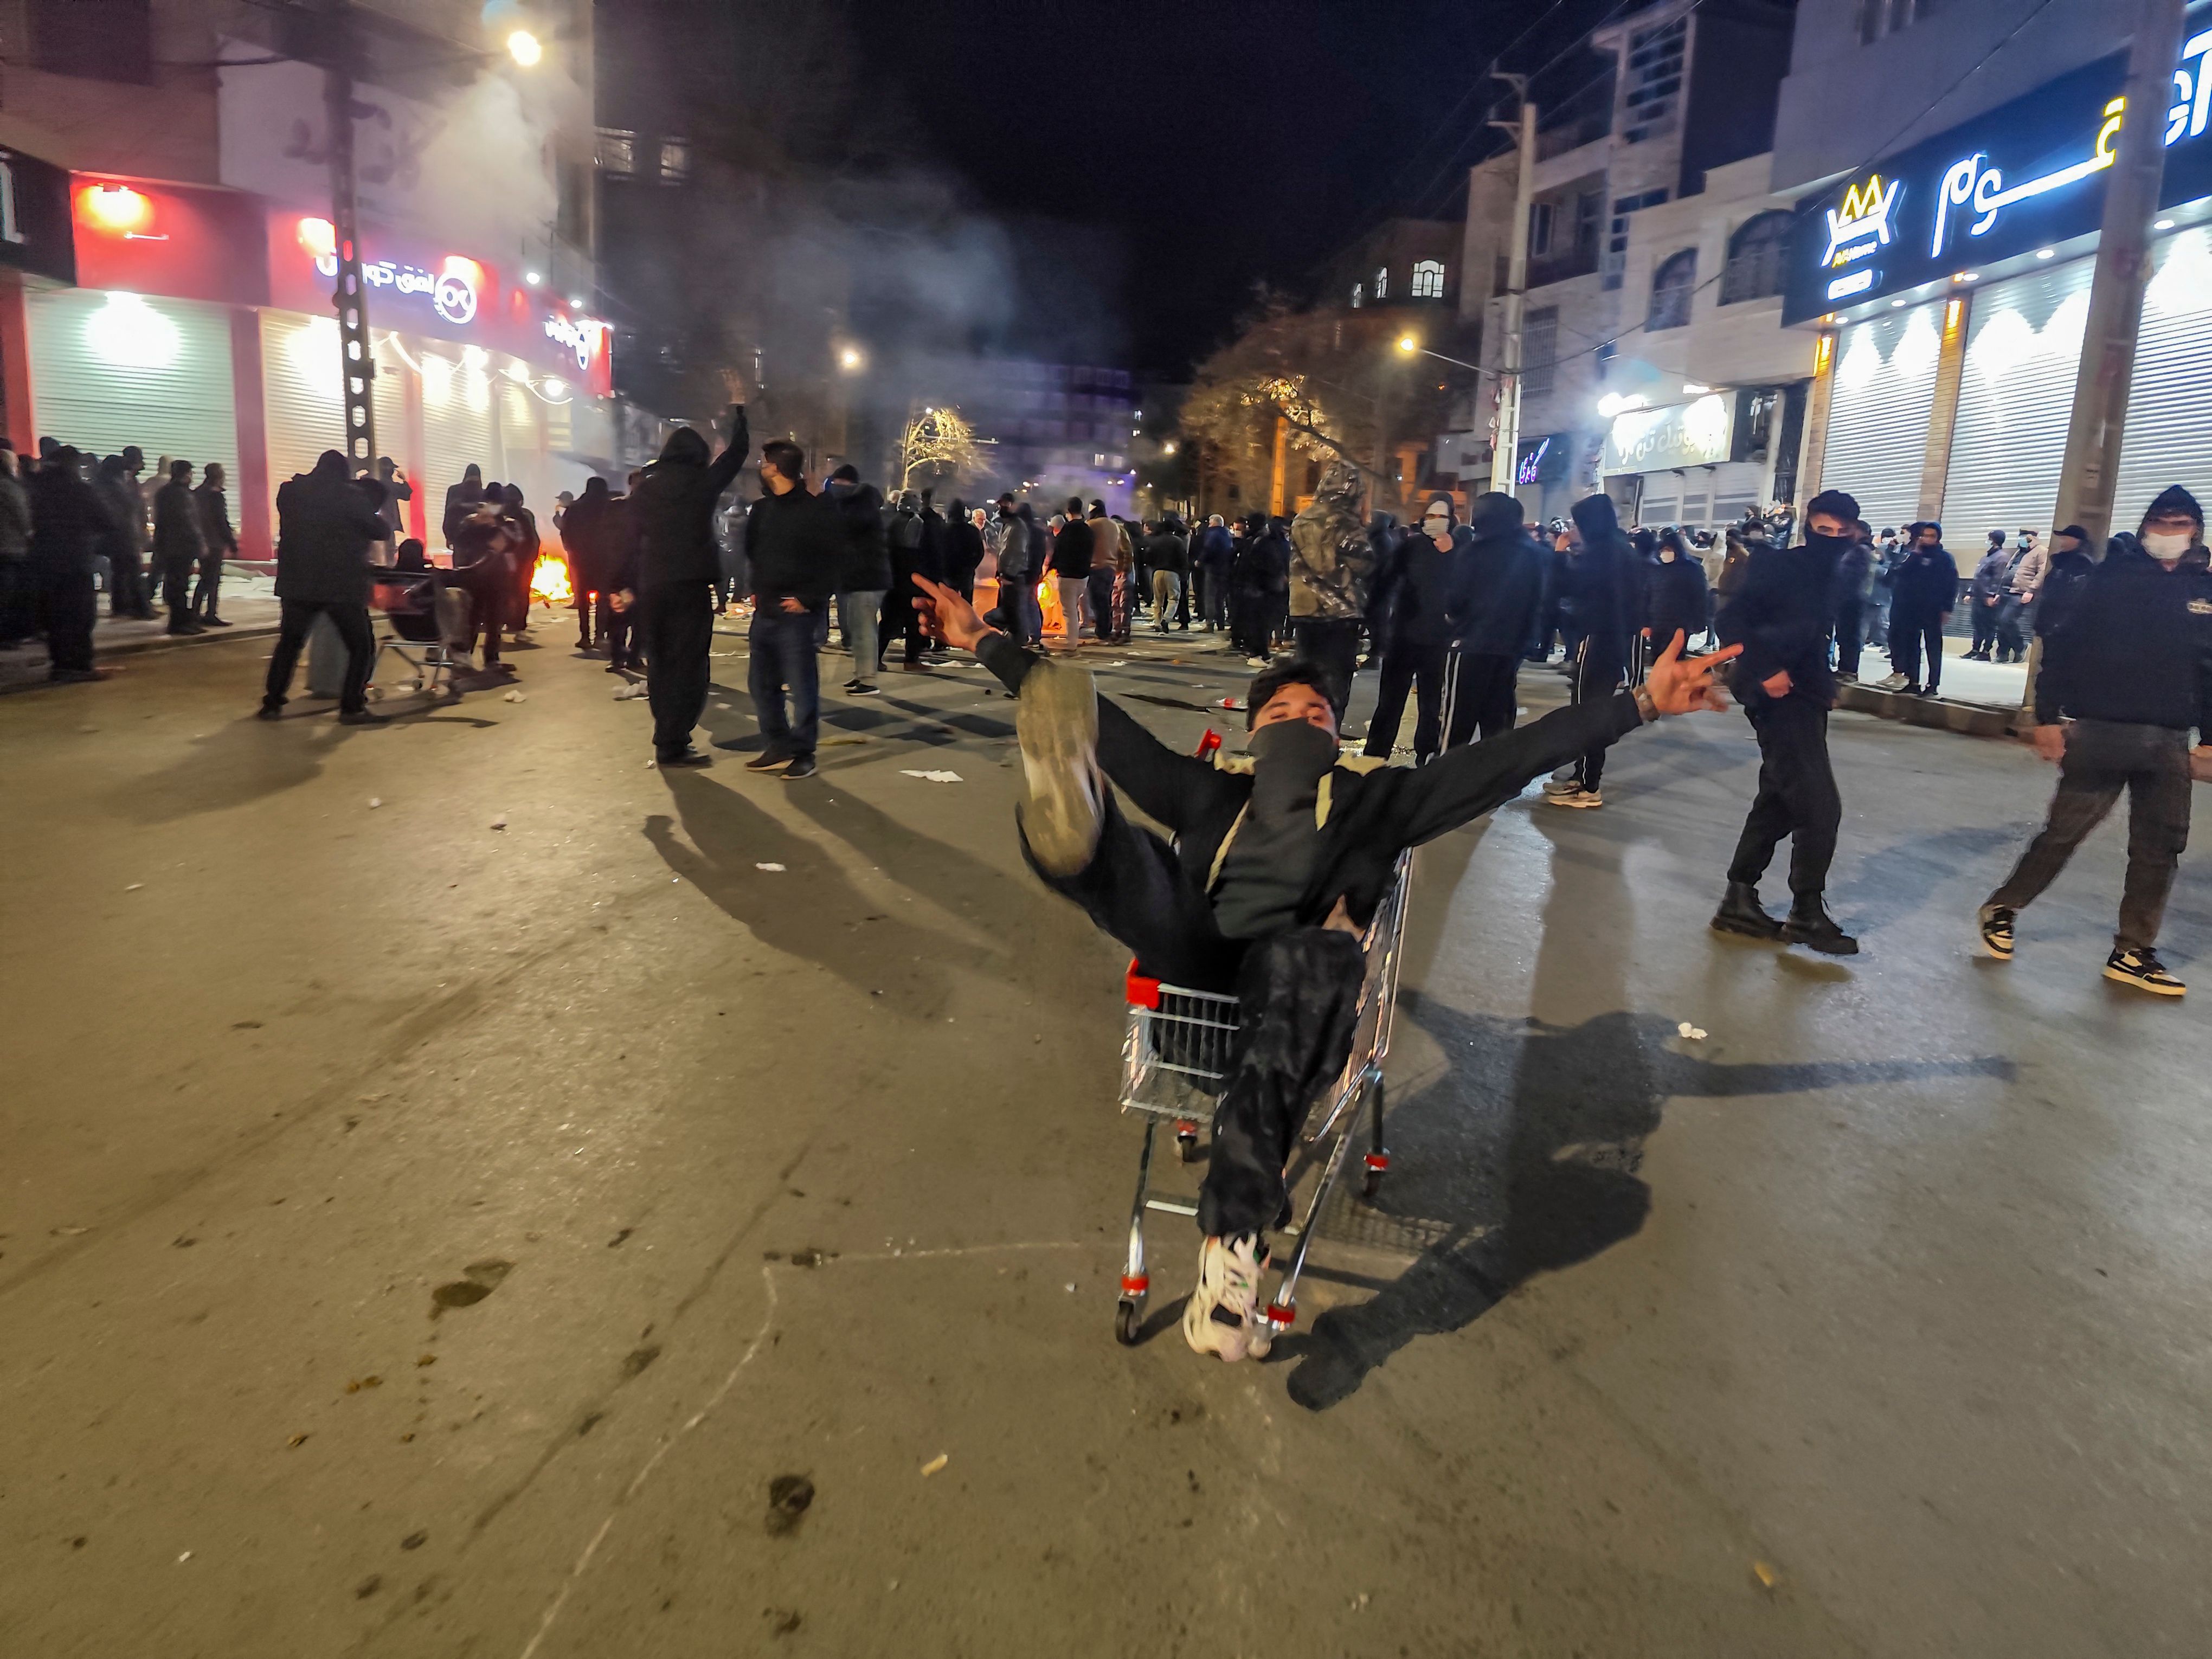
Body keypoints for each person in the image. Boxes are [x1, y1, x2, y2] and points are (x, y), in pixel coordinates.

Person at [905, 572, 1740, 1361]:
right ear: (1253, 733)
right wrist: (984, 641)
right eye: (1283, 711)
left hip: (1295, 1013)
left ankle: (1232, 1251)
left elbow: (1507, 760)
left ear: (1337, 738)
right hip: (1199, 989)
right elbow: (1102, 727)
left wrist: (1638, 703)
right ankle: (1078, 832)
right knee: (1149, 876)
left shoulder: (1381, 803)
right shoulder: (1211, 794)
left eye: (1318, 713)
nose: (1302, 720)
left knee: (1315, 954)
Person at [1978, 487, 2212, 995]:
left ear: (2196, 530)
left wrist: (2210, 740)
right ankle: (2003, 907)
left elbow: (2209, 670)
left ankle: (2133, 951)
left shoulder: (2204, 590)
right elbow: (2063, 647)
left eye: (2180, 524)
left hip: (2170, 739)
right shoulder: (2110, 580)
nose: (2169, 533)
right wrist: (2046, 718)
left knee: (2161, 848)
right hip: (2103, 731)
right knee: (2064, 833)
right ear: (2146, 527)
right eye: (2161, 522)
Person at [1709, 488, 1859, 954]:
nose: (1832, 537)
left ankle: (1739, 898)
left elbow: (1812, 637)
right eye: (1823, 528)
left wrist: (1824, 686)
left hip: (1806, 696)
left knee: (1778, 797)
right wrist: (1767, 668)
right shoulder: (1778, 565)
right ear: (1808, 526)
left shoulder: (1836, 574)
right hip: (1776, 695)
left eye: (1841, 531)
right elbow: (1731, 621)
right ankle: (1806, 912)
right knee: (1819, 805)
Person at [622, 403, 749, 766]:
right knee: (689, 663)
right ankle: (676, 739)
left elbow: (628, 540)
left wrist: (622, 584)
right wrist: (738, 420)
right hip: (690, 586)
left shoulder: (644, 489)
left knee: (660, 661)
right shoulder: (702, 483)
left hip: (653, 585)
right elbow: (735, 456)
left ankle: (665, 736)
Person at [259, 451, 386, 723]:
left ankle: (272, 703)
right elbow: (380, 530)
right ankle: (352, 706)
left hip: (297, 583)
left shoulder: (290, 492)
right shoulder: (352, 498)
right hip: (340, 585)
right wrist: (365, 499)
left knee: (290, 644)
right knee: (360, 647)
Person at [741, 437, 841, 779]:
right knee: (761, 685)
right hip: (766, 610)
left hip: (795, 614)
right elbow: (752, 551)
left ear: (777, 468)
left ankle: (804, 752)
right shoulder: (762, 510)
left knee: (802, 686)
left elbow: (833, 561)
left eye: (766, 461)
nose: (762, 467)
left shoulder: (815, 512)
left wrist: (809, 599)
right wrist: (755, 589)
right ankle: (778, 743)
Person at [1541, 494, 1638, 809]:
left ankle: (1588, 785)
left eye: (1577, 523)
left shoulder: (1601, 554)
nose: (1573, 528)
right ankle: (1582, 776)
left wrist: (1559, 553)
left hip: (1597, 640)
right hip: (1615, 641)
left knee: (1587, 712)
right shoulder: (1622, 549)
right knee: (1592, 710)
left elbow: (1564, 586)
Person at [1362, 494, 1468, 762]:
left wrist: (1453, 551)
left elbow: (1467, 589)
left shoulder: (1461, 550)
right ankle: (1375, 756)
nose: (1435, 521)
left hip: (1439, 638)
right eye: (1430, 516)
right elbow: (1384, 581)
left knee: (1431, 704)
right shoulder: (1411, 546)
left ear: (1451, 518)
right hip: (1404, 636)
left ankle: (1427, 755)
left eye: (1441, 516)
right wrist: (1374, 620)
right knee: (1390, 702)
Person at [1448, 492, 1546, 744]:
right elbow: (1538, 601)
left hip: (1473, 643)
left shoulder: (1475, 552)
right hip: (1512, 647)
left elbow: (1455, 601)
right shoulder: (1532, 553)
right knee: (1498, 719)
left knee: (1459, 720)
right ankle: (1497, 769)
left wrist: (1455, 622)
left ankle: (1448, 768)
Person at [1286, 461, 1373, 714]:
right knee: (1335, 679)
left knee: (1307, 675)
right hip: (1339, 614)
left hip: (1303, 608)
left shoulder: (1302, 518)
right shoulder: (1346, 523)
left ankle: (1303, 723)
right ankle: (1327, 727)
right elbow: (1364, 565)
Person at [25, 446, 107, 683]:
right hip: (76, 561)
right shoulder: (80, 490)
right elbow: (105, 520)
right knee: (80, 615)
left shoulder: (36, 489)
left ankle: (60, 665)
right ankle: (80, 666)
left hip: (44, 561)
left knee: (55, 616)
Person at [826, 462, 889, 696]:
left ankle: (868, 680)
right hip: (859, 577)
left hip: (868, 578)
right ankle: (861, 674)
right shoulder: (855, 503)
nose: (833, 487)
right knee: (858, 629)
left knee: (864, 630)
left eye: (836, 483)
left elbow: (849, 529)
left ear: (846, 483)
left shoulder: (861, 504)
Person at [1879, 522, 1956, 695]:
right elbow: (1900, 574)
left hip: (1934, 609)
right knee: (1911, 645)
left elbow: (1951, 585)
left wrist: (1947, 609)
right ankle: (1913, 682)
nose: (1927, 539)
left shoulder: (1945, 558)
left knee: (1933, 647)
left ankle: (1933, 685)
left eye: (1931, 536)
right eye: (1925, 536)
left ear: (1938, 538)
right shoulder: (1914, 556)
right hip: (1912, 608)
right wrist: (1914, 553)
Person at [150, 459, 208, 636]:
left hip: (167, 545)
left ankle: (182, 621)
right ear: (186, 474)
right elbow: (189, 522)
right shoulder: (183, 494)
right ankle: (179, 623)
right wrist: (200, 543)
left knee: (174, 583)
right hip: (182, 546)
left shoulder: (163, 492)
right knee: (180, 585)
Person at [92, 454, 153, 620]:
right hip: (125, 535)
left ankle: (121, 607)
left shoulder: (101, 484)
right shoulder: (116, 487)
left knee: (119, 571)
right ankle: (141, 608)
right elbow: (129, 510)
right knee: (133, 571)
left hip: (115, 536)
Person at [1643, 527, 1710, 678]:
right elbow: (1648, 596)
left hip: (1680, 622)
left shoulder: (1692, 569)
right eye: (1662, 550)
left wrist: (1699, 621)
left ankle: (1672, 686)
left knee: (1675, 658)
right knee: (1657, 658)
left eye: (1668, 550)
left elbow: (1700, 597)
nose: (1665, 553)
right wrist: (1646, 622)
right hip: (1658, 622)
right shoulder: (1657, 571)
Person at [562, 476, 618, 651]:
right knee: (603, 598)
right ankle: (600, 636)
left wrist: (572, 551)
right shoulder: (610, 507)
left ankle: (585, 636)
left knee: (583, 600)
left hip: (581, 561)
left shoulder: (574, 508)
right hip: (605, 560)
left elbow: (565, 532)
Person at [191, 462, 239, 627]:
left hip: (201, 541)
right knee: (213, 579)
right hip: (215, 542)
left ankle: (195, 611)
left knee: (205, 577)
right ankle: (210, 613)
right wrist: (232, 543)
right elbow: (221, 522)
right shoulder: (216, 496)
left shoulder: (197, 493)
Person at [2032, 524, 2094, 644]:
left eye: (2065, 538)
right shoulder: (2061, 561)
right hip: (2049, 617)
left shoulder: (2082, 563)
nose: (2062, 542)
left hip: (2061, 620)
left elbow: (2075, 593)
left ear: (2076, 540)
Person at [1049, 497, 1094, 645]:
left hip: (1068, 575)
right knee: (1074, 607)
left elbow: (1059, 550)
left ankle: (1072, 643)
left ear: (1068, 511)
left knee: (1069, 611)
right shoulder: (1088, 530)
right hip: (1084, 576)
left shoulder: (1067, 530)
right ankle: (1072, 641)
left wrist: (1053, 568)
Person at [0, 444, 30, 647]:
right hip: (11, 548)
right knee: (9, 594)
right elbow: (23, 516)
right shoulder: (10, 487)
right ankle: (8, 636)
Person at [1966, 531, 2009, 660]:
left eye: (1989, 539)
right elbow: (1978, 577)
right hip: (1979, 596)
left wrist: (1992, 595)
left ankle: (1985, 652)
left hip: (1988, 598)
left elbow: (1998, 578)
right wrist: (1970, 592)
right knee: (1977, 624)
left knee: (1989, 625)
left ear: (1995, 541)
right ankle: (1975, 649)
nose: (1987, 542)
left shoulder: (2001, 557)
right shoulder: (1986, 558)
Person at [1144, 515, 1188, 633]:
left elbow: (1148, 557)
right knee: (1173, 598)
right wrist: (1183, 573)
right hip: (1173, 573)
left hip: (1157, 572)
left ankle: (1157, 623)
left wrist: (1153, 566)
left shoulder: (1155, 541)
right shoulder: (1178, 542)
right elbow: (1183, 559)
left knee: (1158, 600)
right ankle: (1167, 618)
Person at [1195, 513, 1234, 632]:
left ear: (1214, 522)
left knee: (1210, 596)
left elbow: (1208, 549)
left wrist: (1200, 561)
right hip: (1225, 569)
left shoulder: (1212, 534)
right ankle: (1221, 623)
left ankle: (1210, 623)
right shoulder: (1227, 534)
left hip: (1212, 569)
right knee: (1220, 598)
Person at [944, 499, 985, 605]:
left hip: (948, 574)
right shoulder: (973, 531)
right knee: (966, 604)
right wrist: (971, 567)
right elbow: (980, 552)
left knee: (949, 604)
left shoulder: (943, 530)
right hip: (966, 574)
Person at [442, 464, 485, 551]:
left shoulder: (454, 490)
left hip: (459, 538)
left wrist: (449, 537)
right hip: (479, 541)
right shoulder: (483, 494)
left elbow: (449, 515)